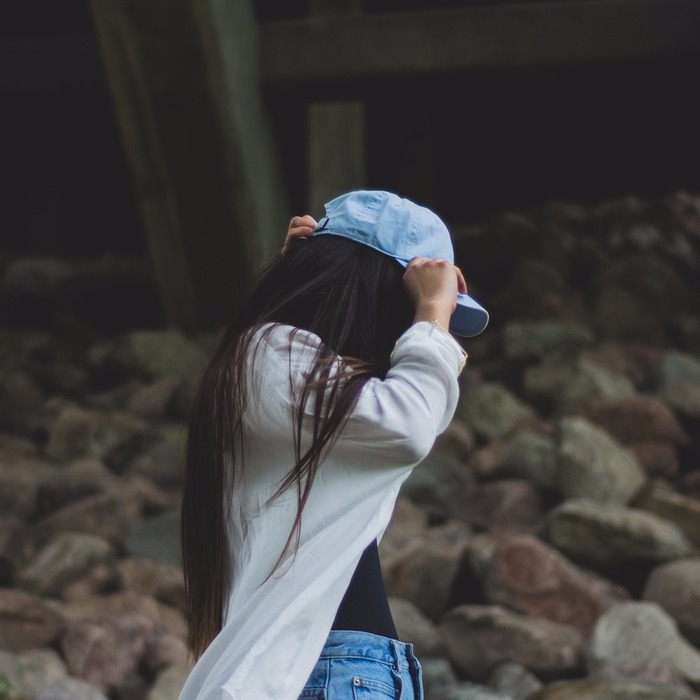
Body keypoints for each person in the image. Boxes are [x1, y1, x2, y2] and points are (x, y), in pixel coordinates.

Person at [178, 190, 489, 700]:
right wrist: (432, 314)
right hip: (334, 675)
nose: (426, 325)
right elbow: (408, 424)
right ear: (379, 296)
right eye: (411, 305)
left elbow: (404, 411)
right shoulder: (265, 356)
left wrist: (312, 276)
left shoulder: (301, 386)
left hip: (349, 673)